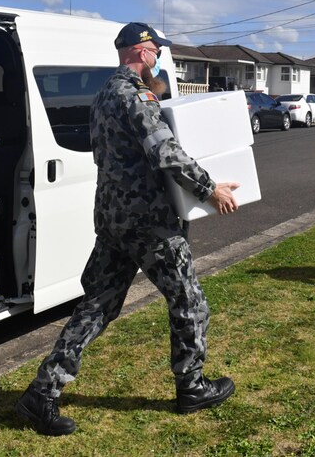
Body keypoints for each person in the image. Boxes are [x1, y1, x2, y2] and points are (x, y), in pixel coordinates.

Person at [16, 22, 241, 436]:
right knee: (189, 302)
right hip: (148, 223)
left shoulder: (103, 94)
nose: (158, 56)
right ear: (141, 51)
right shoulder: (135, 95)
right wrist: (210, 190)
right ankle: (192, 387)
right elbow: (165, 152)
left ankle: (42, 392)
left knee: (98, 306)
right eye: (156, 49)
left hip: (113, 219)